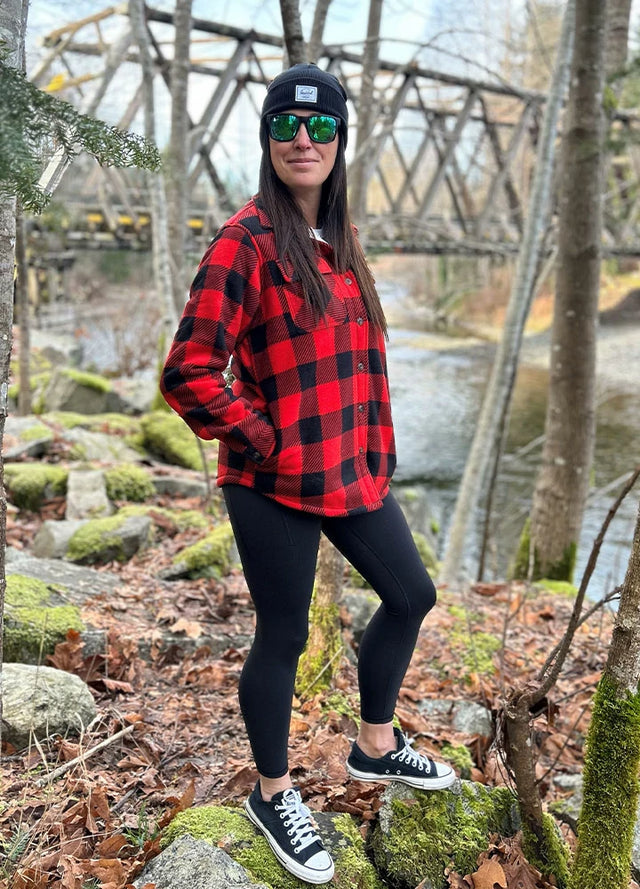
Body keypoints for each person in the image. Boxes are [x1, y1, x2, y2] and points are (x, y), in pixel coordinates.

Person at [160, 62, 456, 885]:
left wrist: (378, 451)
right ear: (266, 137)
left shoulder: (343, 242)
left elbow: (362, 364)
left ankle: (374, 745)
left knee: (410, 595)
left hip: (348, 469)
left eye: (320, 126)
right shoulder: (244, 241)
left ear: (340, 141)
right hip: (268, 480)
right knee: (284, 634)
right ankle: (273, 792)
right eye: (286, 125)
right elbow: (188, 371)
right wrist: (261, 437)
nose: (303, 139)